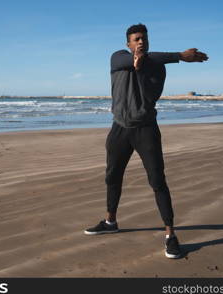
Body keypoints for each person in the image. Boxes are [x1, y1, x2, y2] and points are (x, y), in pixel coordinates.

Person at [84, 23, 208, 259]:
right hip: (119, 129)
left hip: (146, 130)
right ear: (128, 44)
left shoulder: (157, 68)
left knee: (157, 181)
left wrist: (141, 70)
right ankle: (111, 221)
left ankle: (171, 235)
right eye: (136, 39)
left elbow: (150, 97)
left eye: (144, 39)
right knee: (112, 177)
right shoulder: (117, 58)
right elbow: (126, 61)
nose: (141, 42)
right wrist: (180, 56)